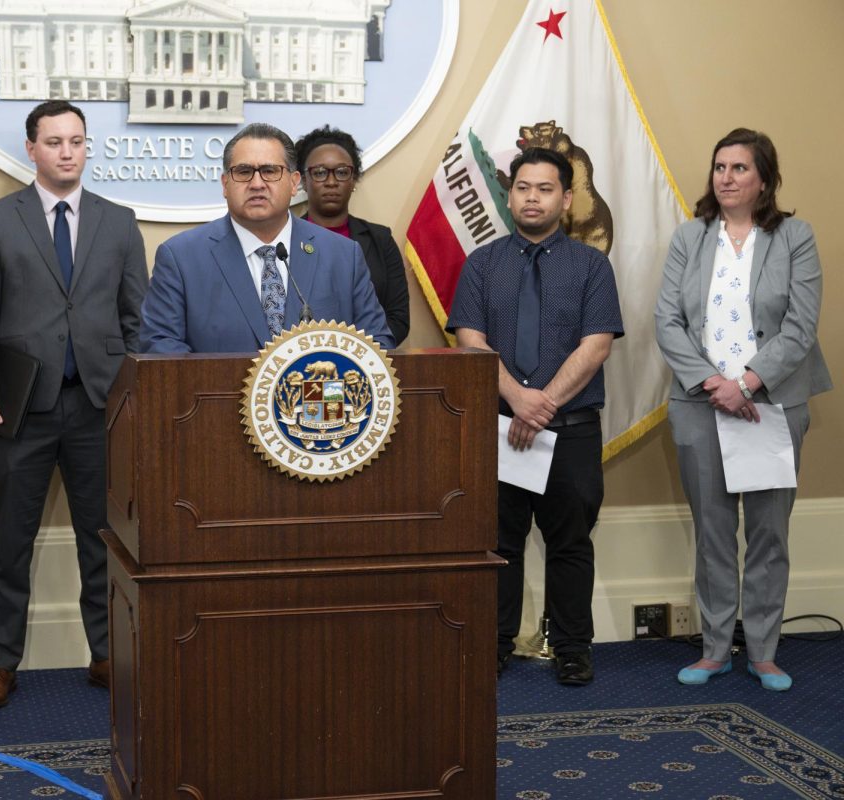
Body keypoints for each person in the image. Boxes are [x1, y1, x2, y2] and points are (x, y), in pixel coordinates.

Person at [0, 100, 148, 708]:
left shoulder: (118, 222)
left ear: (87, 147)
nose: (67, 152)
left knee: (104, 539)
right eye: (54, 142)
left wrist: (135, 399)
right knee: (11, 540)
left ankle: (107, 654)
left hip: (99, 407)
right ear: (32, 149)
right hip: (20, 409)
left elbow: (135, 318)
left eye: (77, 141)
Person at [655, 128, 831, 692]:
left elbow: (801, 326)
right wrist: (714, 382)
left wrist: (748, 384)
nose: (726, 178)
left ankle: (763, 651)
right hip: (700, 403)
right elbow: (668, 322)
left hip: (772, 405)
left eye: (739, 169)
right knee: (711, 531)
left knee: (768, 532)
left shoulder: (794, 237)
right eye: (719, 167)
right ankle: (713, 650)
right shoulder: (690, 237)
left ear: (764, 179)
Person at [448, 147, 623, 686]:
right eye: (522, 187)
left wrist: (541, 401)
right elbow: (469, 341)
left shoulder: (592, 265)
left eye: (545, 189)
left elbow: (596, 346)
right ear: (509, 194)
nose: (531, 197)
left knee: (571, 543)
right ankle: (497, 642)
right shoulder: (482, 264)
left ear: (566, 199)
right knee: (499, 544)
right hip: (498, 429)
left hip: (570, 431)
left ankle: (573, 647)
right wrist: (519, 400)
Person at [140, 122, 394, 353]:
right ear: (225, 184)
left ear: (294, 183)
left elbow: (377, 345)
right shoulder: (181, 258)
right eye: (243, 172)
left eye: (270, 171)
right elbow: (160, 348)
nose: (257, 183)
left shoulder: (343, 255)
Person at [294, 125, 410, 345]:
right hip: (300, 360)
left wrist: (355, 353)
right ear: (302, 181)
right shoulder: (285, 242)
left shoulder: (380, 240)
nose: (331, 182)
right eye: (319, 172)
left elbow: (399, 318)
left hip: (367, 362)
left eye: (341, 172)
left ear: (354, 179)